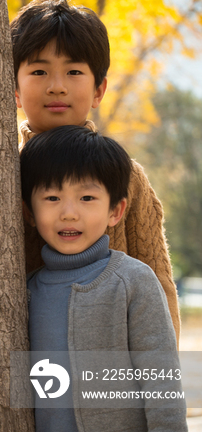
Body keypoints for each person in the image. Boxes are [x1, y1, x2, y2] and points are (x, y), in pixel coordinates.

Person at [11, 0, 181, 344]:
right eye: (39, 71)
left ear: (99, 90)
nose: (56, 86)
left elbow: (158, 281)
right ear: (14, 89)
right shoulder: (2, 174)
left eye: (74, 72)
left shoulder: (126, 177)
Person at [21, 125, 188, 432]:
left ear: (116, 211)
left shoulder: (133, 281)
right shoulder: (23, 291)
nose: (69, 212)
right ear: (29, 211)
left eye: (87, 198)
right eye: (52, 198)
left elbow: (163, 392)